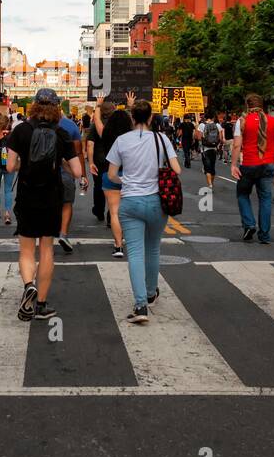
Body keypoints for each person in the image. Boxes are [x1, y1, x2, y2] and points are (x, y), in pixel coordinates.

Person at [5, 88, 81, 321]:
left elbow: (9, 167)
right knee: (46, 248)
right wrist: (61, 164)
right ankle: (41, 305)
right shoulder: (62, 133)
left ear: (34, 106)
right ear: (57, 107)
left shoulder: (21, 131)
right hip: (52, 196)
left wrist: (24, 165)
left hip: (27, 195)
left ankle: (29, 284)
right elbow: (77, 171)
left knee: (26, 249)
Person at [107, 97, 182, 324]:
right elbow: (176, 169)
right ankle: (151, 293)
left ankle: (140, 306)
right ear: (150, 117)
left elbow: (111, 174)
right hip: (157, 201)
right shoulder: (162, 139)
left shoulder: (121, 140)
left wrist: (127, 181)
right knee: (153, 249)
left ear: (132, 117)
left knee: (136, 253)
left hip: (130, 202)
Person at [230, 94, 274, 244]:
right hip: (268, 164)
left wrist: (233, 164)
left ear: (247, 106)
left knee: (243, 194)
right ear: (262, 106)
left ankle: (249, 224)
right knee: (265, 198)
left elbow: (237, 145)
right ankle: (264, 235)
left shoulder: (242, 121)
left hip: (249, 164)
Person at [92, 94, 134, 258]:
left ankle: (118, 246)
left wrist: (98, 105)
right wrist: (130, 106)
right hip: (130, 175)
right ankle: (131, 241)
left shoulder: (106, 134)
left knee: (114, 212)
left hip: (111, 174)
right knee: (129, 212)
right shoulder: (132, 136)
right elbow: (134, 122)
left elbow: (97, 122)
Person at [56, 107, 88, 253]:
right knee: (67, 203)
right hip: (66, 172)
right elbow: (78, 152)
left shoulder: (33, 124)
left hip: (42, 174)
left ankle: (45, 236)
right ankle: (63, 233)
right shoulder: (70, 125)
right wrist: (83, 175)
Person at [195, 110, 225, 190]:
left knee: (207, 167)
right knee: (212, 166)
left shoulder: (202, 125)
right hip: (214, 149)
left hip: (205, 149)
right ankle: (212, 182)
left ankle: (210, 185)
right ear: (213, 117)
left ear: (205, 117)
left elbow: (198, 137)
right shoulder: (217, 125)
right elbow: (221, 138)